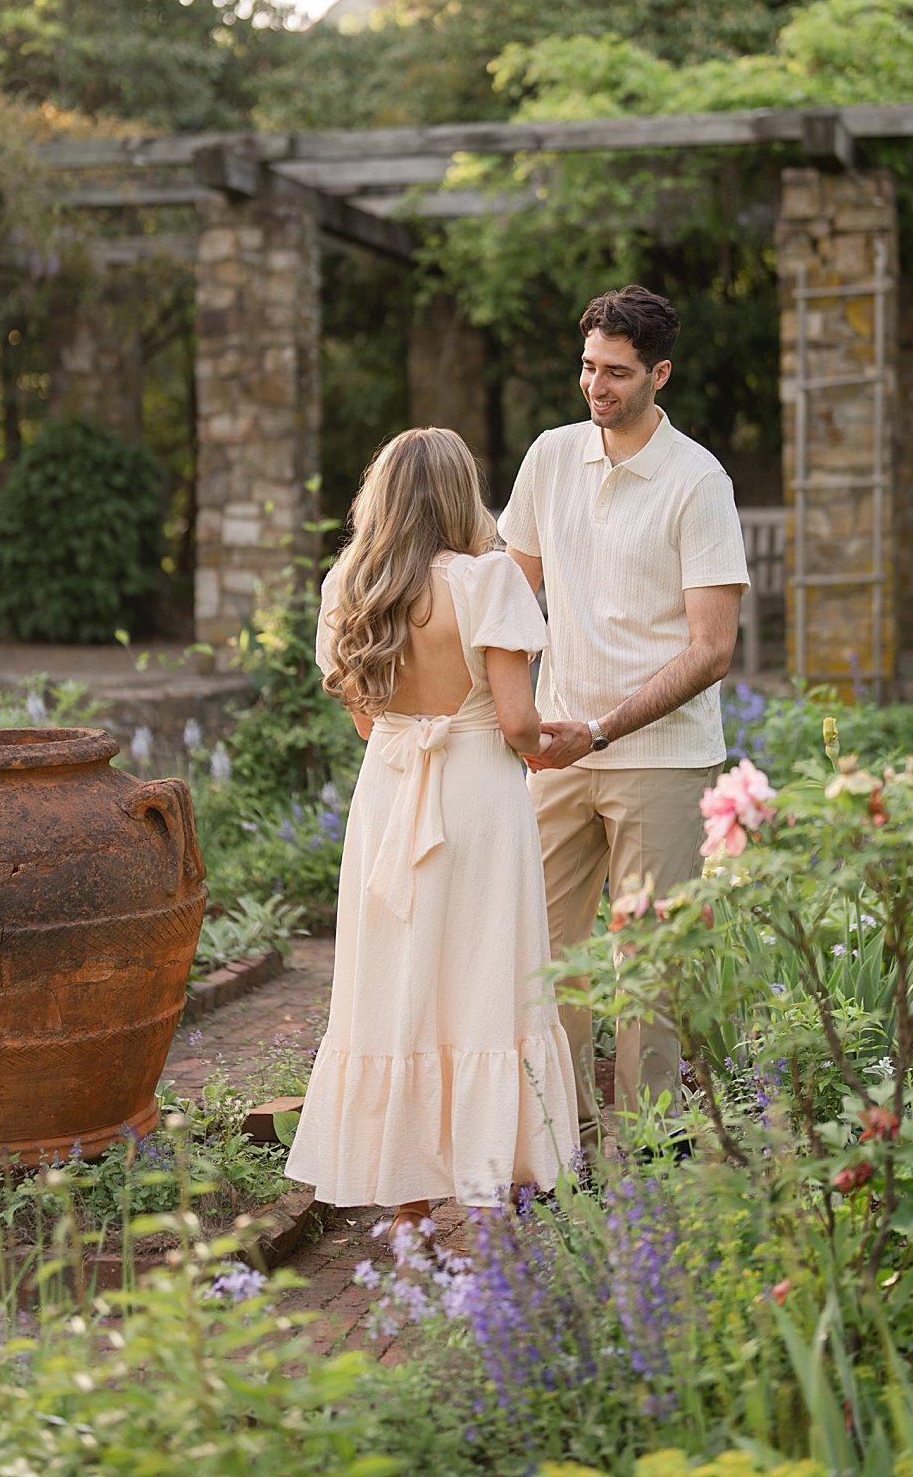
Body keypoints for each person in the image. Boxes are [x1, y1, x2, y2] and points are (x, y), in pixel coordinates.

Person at [283, 426, 579, 1242]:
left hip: (390, 795)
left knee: (399, 982)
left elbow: (364, 722)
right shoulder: (489, 580)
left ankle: (410, 1218)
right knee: (486, 980)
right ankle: (486, 1212)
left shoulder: (347, 585)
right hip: (478, 797)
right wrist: (560, 742)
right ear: (460, 494)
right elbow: (517, 724)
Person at [498, 285, 749, 1160]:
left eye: (615, 372)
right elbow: (508, 595)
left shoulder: (697, 482)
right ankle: (561, 1146)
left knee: (648, 968)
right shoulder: (549, 457)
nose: (594, 386)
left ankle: (648, 1155)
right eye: (587, 367)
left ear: (658, 375)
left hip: (660, 758)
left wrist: (600, 731)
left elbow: (711, 650)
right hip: (554, 753)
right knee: (543, 955)